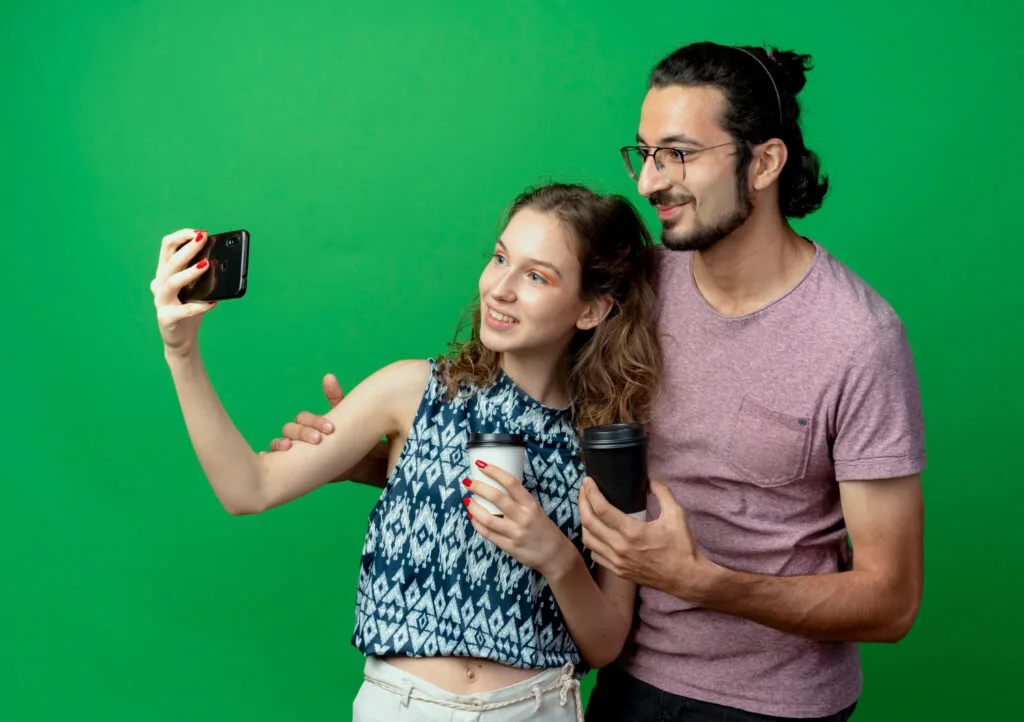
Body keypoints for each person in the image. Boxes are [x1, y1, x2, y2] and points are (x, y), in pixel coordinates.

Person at [273, 42, 926, 721]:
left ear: (763, 161)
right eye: (643, 153)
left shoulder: (857, 339)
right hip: (620, 683)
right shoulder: (628, 288)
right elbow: (536, 435)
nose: (647, 183)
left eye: (678, 154)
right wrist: (394, 462)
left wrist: (701, 582)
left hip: (775, 703)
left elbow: (891, 601)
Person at [150, 182, 662, 721]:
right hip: (403, 707)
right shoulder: (412, 392)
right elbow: (247, 488)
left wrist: (555, 557)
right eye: (500, 258)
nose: (500, 288)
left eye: (536, 276)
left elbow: (605, 642)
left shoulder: (608, 445)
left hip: (537, 707)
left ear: (592, 309)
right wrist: (180, 351)